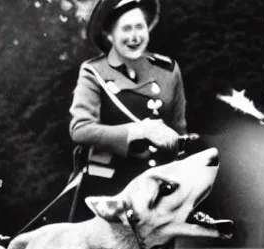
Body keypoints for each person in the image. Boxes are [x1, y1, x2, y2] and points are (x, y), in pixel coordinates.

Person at [68, 0, 188, 220]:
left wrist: (176, 145)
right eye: (126, 29)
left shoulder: (168, 71)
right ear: (110, 34)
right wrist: (138, 132)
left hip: (154, 191)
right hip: (106, 191)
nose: (134, 37)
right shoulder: (94, 72)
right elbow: (80, 129)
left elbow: (179, 131)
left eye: (139, 27)